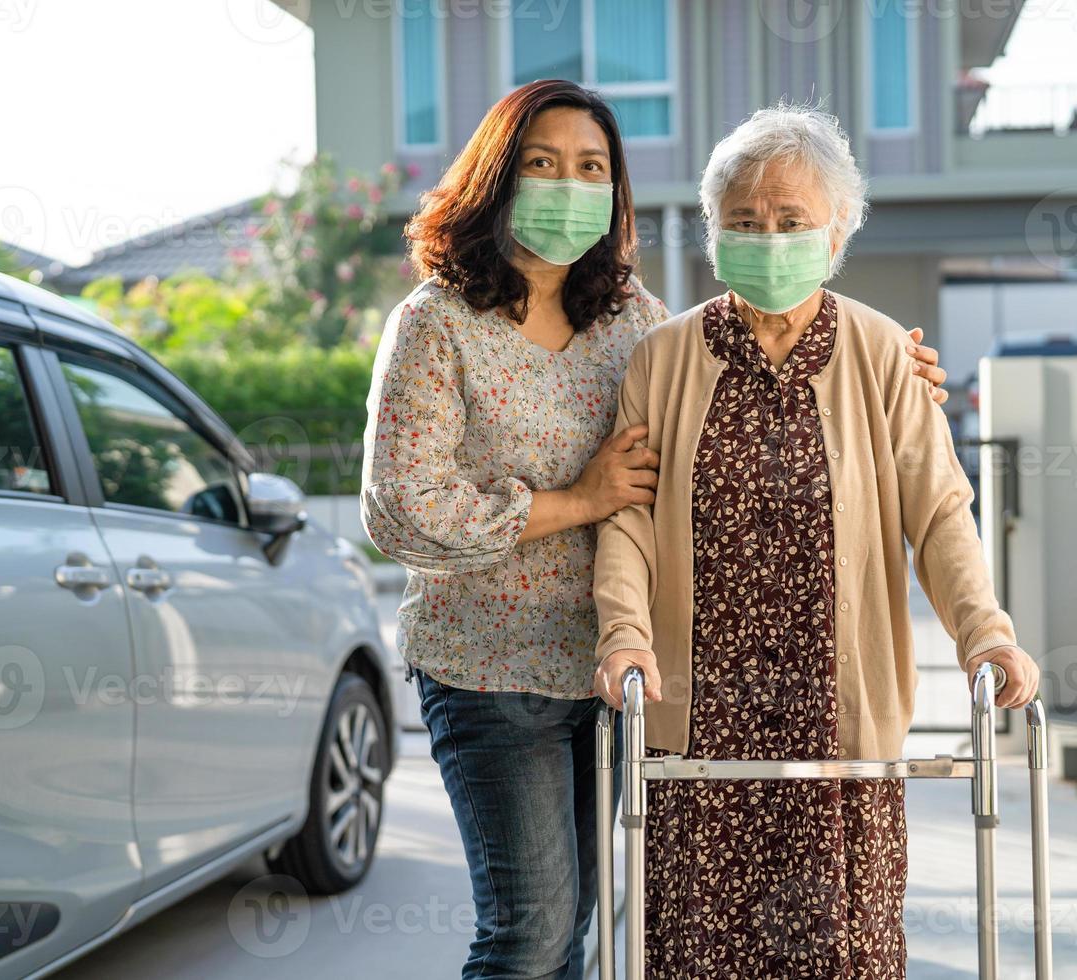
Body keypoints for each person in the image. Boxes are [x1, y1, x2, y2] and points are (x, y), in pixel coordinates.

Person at [362, 81, 947, 979]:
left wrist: (885, 364)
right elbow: (401, 507)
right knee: (530, 934)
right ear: (497, 178)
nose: (568, 184)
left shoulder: (627, 318)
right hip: (495, 668)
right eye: (543, 164)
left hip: (619, 677)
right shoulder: (437, 323)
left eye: (591, 166)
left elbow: (743, 352)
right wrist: (576, 502)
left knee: (590, 929)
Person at [592, 103, 1041, 978]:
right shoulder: (662, 358)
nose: (768, 237)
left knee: (842, 951)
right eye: (745, 222)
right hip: (700, 731)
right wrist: (625, 635)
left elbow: (940, 509)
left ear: (834, 233)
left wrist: (985, 630)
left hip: (838, 726)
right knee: (694, 954)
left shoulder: (880, 352)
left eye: (791, 220)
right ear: (714, 231)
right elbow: (629, 523)